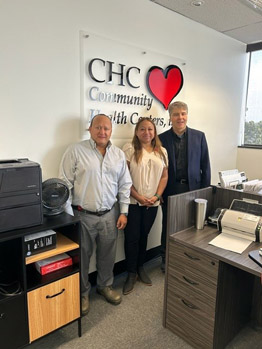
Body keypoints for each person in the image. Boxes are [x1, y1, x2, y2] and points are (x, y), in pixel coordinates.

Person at [59, 114, 132, 315]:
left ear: (111, 131)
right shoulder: (75, 151)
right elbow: (64, 184)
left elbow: (125, 185)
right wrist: (69, 218)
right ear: (90, 129)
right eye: (98, 127)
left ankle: (105, 286)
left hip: (110, 214)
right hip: (82, 216)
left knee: (108, 255)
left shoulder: (117, 155)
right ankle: (82, 293)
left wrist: (123, 212)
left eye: (106, 128)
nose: (102, 132)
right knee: (81, 257)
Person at [159, 101, 211, 271]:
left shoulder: (199, 136)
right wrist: (158, 193)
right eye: (176, 114)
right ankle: (166, 260)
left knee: (190, 226)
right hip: (170, 189)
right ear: (170, 117)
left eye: (183, 113)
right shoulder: (162, 138)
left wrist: (205, 191)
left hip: (193, 189)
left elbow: (205, 165)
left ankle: (188, 260)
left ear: (187, 115)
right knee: (169, 225)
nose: (180, 117)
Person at [122, 117, 168, 295]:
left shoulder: (162, 151)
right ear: (136, 132)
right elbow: (124, 178)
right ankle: (131, 273)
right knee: (131, 238)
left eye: (150, 129)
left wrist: (157, 196)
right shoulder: (129, 149)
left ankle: (141, 267)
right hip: (134, 203)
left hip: (153, 203)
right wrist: (139, 197)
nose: (146, 132)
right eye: (142, 129)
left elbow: (164, 176)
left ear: (154, 132)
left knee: (144, 236)